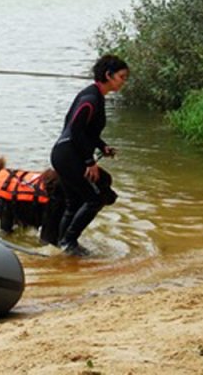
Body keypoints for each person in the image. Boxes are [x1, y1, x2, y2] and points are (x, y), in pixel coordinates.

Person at [51, 54, 129, 256]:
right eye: (122, 77)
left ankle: (61, 246)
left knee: (74, 202)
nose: (124, 82)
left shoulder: (95, 96)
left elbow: (88, 133)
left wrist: (102, 147)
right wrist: (89, 161)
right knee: (95, 199)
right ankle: (69, 243)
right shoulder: (91, 98)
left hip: (64, 154)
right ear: (108, 75)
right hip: (68, 156)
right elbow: (75, 130)